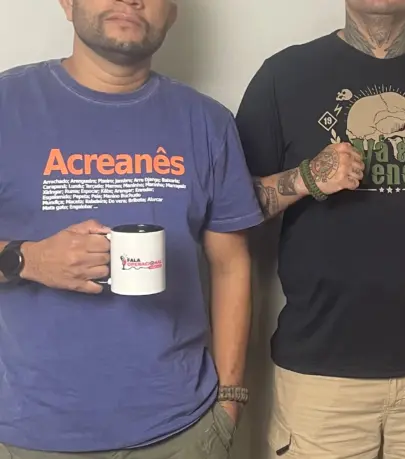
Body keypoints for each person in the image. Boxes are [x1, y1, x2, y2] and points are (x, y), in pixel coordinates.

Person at [235, 0, 405, 456]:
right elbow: (232, 208)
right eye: (403, 133)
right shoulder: (284, 76)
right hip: (319, 380)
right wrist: (306, 178)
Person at [0, 1, 263, 458]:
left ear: (172, 13)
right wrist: (28, 260)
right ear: (67, 4)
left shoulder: (207, 121)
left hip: (184, 432)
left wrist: (230, 401)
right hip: (30, 436)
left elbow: (231, 264)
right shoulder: (8, 105)